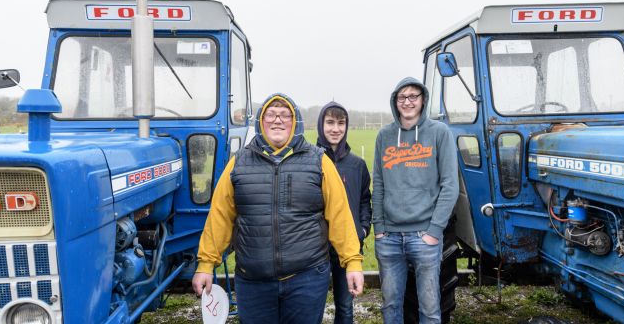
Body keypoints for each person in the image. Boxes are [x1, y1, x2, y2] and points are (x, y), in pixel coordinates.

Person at [192, 93, 364, 324]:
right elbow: (220, 217)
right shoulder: (239, 162)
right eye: (270, 114)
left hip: (307, 279)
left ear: (295, 123)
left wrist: (352, 261)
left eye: (285, 115)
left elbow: (340, 216)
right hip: (253, 281)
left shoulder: (319, 161)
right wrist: (205, 264)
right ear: (261, 122)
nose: (277, 120)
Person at [372, 78, 458, 324]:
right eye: (402, 97)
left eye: (413, 96)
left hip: (424, 236)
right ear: (395, 101)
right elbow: (378, 183)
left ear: (423, 100)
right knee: (390, 305)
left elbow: (450, 186)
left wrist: (434, 231)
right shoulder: (385, 136)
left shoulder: (439, 133)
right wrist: (379, 229)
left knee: (430, 309)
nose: (407, 102)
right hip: (389, 238)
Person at [316, 102, 372, 324]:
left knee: (345, 306)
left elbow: (365, 199)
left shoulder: (357, 164)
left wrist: (363, 228)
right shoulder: (309, 160)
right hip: (316, 247)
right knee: (313, 306)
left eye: (341, 123)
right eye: (330, 122)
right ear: (321, 125)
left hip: (347, 248)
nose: (335, 129)